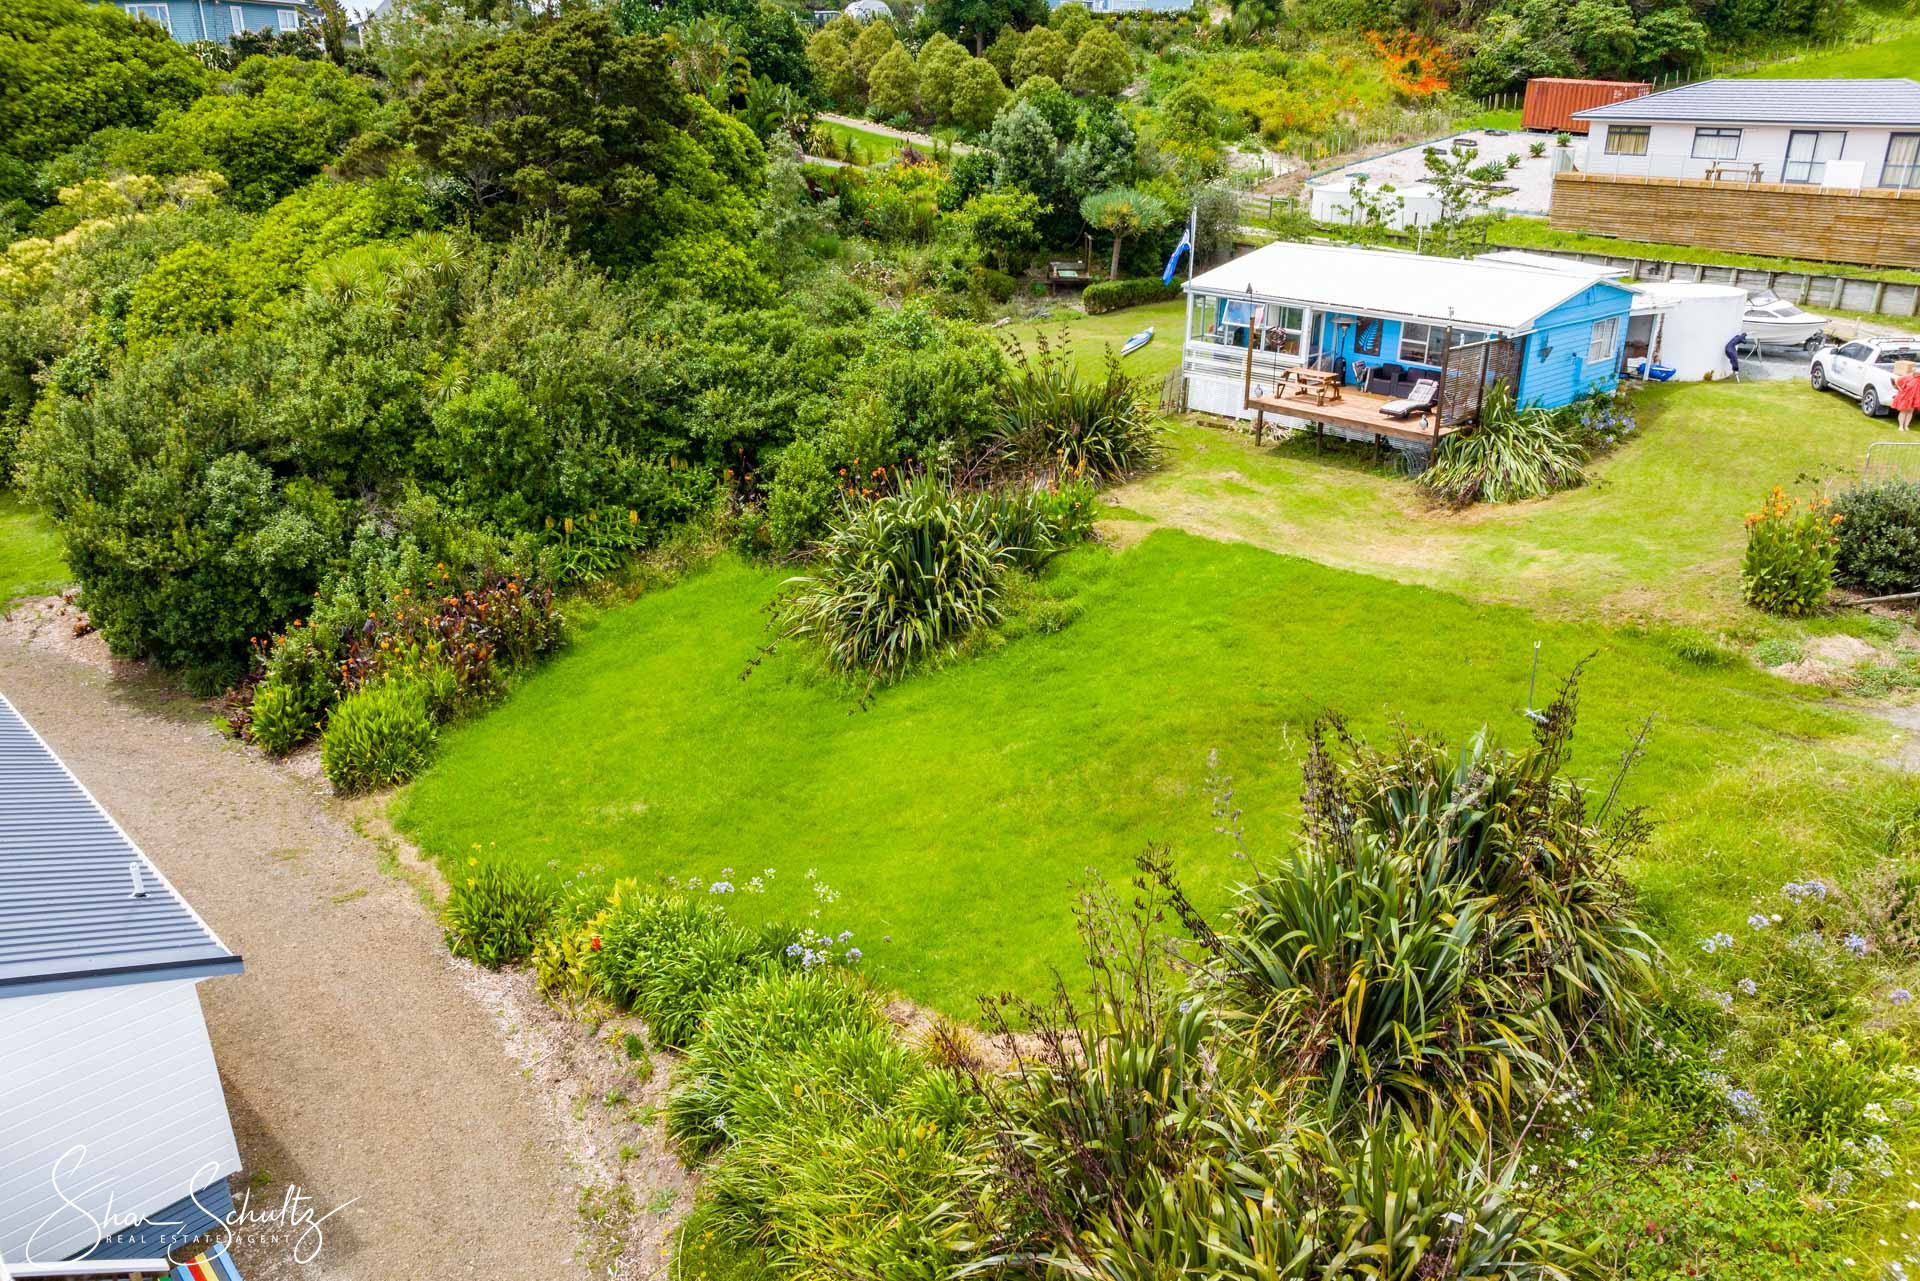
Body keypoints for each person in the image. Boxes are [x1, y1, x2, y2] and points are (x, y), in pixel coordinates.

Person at [1895, 364, 1920, 431]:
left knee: (1910, 412)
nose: (1918, 375)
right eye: (1917, 373)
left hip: (1914, 397)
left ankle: (1906, 426)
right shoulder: (1907, 377)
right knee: (1903, 411)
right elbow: (1897, 380)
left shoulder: (1919, 378)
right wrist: (1900, 389)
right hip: (1906, 397)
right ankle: (1900, 426)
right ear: (1913, 373)